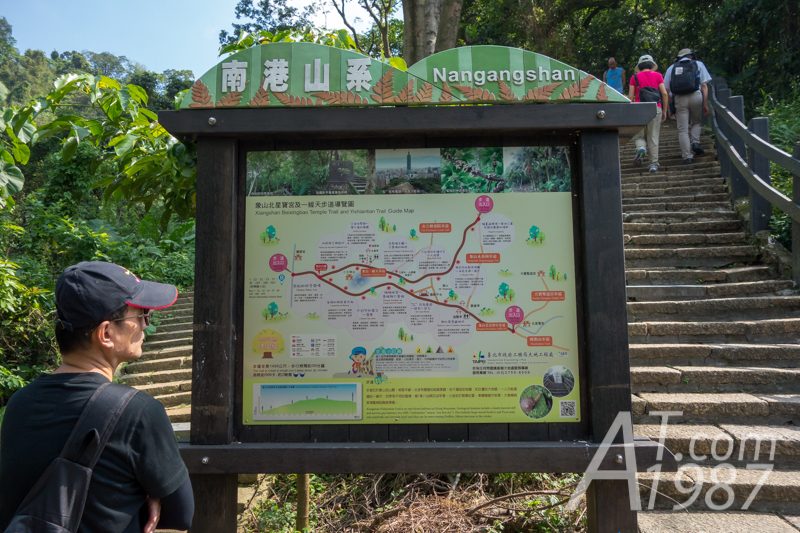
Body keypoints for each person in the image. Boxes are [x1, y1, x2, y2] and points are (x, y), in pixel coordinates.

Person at [0, 262, 194, 533]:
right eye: (141, 315)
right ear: (106, 334)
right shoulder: (138, 412)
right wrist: (150, 493)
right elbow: (182, 514)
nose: (144, 325)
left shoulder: (18, 405)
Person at [664, 48, 712, 164]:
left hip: (679, 98)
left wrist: (670, 107)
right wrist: (705, 103)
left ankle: (687, 157)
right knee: (696, 122)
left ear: (679, 58)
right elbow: (704, 85)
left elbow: (667, 89)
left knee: (683, 130)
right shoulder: (698, 64)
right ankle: (695, 142)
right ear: (691, 56)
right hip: (696, 95)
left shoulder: (672, 68)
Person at [628, 54, 669, 172]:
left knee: (639, 135)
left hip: (638, 108)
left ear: (639, 66)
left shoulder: (634, 77)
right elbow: (664, 93)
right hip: (655, 108)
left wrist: (629, 111)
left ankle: (641, 148)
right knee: (653, 136)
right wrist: (664, 110)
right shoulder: (658, 75)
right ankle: (653, 164)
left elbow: (631, 96)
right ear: (651, 65)